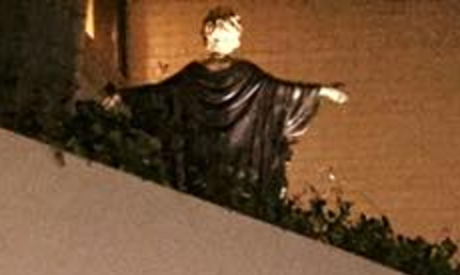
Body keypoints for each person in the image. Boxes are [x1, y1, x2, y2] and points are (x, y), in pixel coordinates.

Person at [123, 8, 348, 203]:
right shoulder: (245, 76)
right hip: (240, 173)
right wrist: (320, 91)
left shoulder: (193, 78)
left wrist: (122, 98)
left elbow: (157, 96)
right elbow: (284, 93)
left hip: (199, 170)